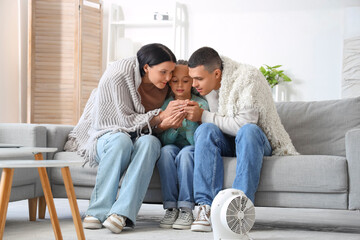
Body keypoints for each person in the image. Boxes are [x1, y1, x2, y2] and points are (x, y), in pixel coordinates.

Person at [64, 43, 186, 234]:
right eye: (164, 72)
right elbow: (116, 121)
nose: (169, 78)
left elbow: (152, 129)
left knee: (151, 143)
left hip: (140, 136)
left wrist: (163, 123)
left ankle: (121, 214)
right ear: (146, 67)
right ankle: (97, 211)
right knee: (120, 140)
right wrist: (160, 116)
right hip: (105, 135)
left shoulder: (165, 86)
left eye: (171, 72)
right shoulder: (118, 75)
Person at [184, 47, 298, 232]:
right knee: (205, 130)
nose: (194, 84)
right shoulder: (206, 85)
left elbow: (244, 124)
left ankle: (239, 208)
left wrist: (203, 115)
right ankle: (205, 208)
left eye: (199, 79)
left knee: (248, 131)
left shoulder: (248, 78)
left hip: (255, 142)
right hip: (228, 142)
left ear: (217, 73)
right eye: (192, 78)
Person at [156, 60, 209, 230]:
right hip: (172, 147)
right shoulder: (166, 105)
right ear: (169, 81)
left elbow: (198, 142)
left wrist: (190, 123)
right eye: (175, 81)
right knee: (165, 152)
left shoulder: (200, 104)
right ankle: (171, 207)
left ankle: (186, 208)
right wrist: (173, 127)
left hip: (192, 147)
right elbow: (164, 140)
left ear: (192, 81)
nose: (180, 85)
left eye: (185, 81)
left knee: (186, 154)